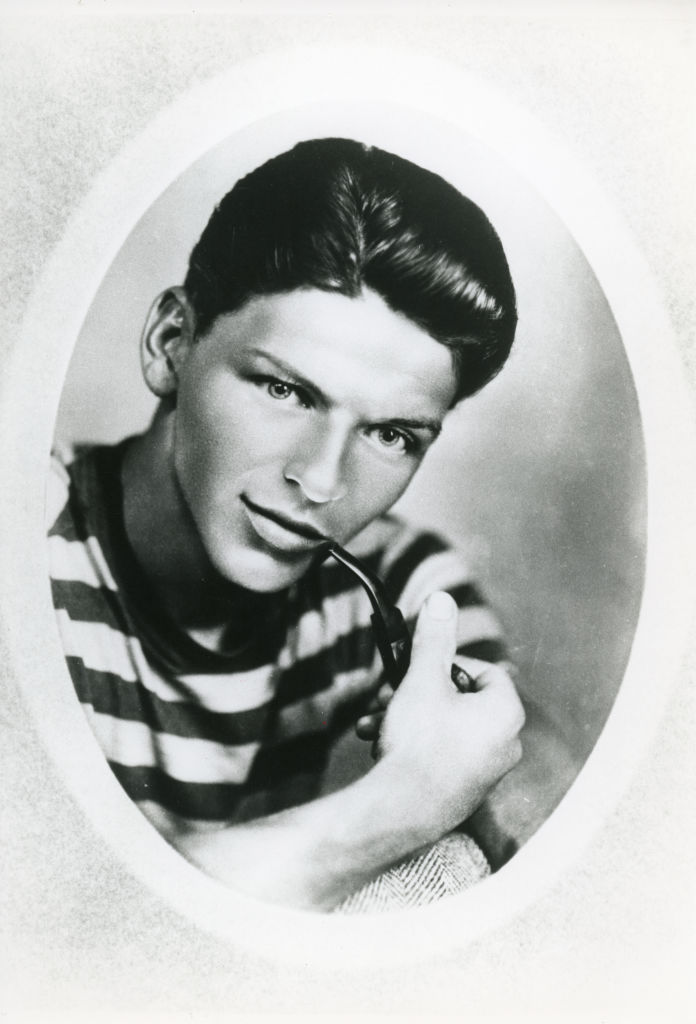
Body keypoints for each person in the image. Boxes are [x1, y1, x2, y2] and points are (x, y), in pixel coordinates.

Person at [46, 138, 525, 913]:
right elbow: (70, 947)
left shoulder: (398, 581)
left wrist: (478, 769)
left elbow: (546, 829)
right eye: (284, 390)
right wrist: (396, 806)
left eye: (392, 435)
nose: (324, 482)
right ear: (173, 344)